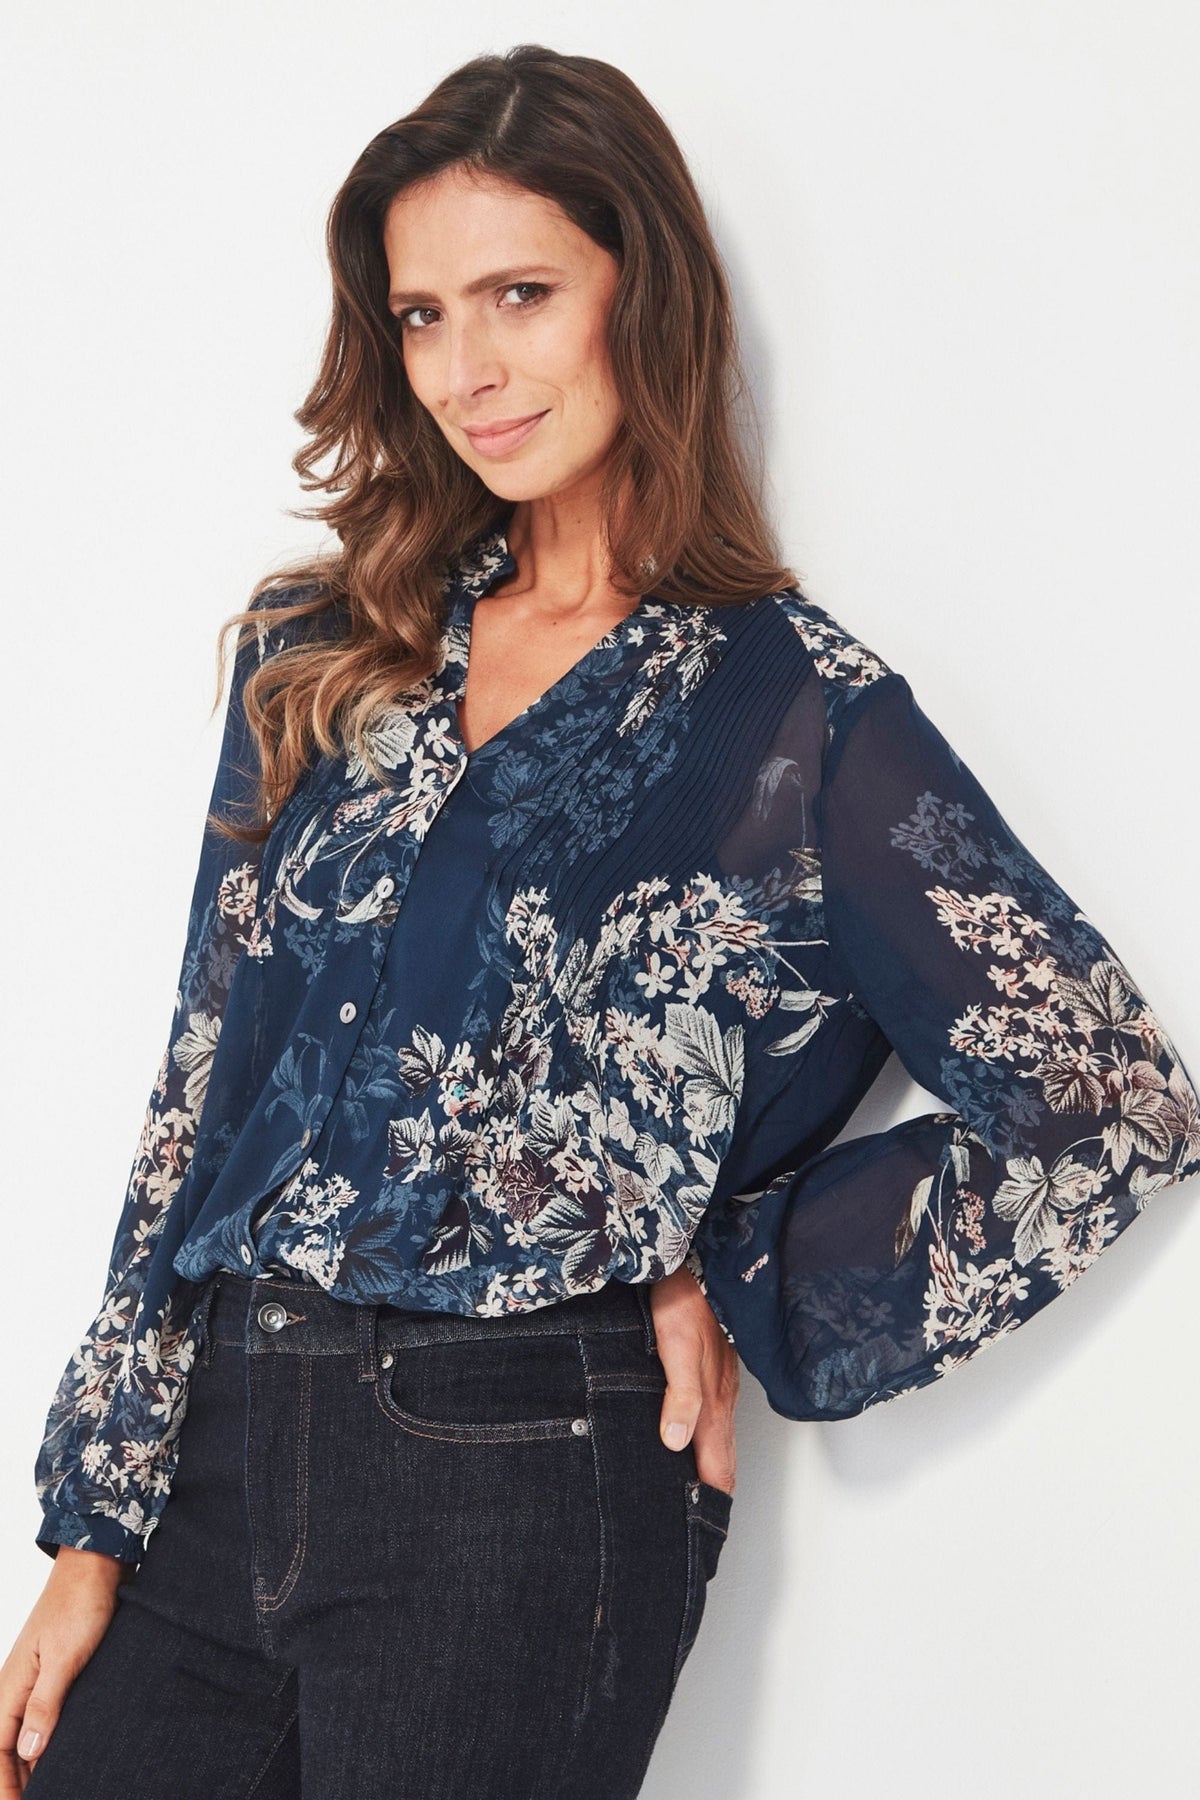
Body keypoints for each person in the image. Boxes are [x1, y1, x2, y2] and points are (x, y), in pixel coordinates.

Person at [4, 41, 1198, 1800]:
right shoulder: (327, 653)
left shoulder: (796, 719)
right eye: (422, 317)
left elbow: (1106, 1098)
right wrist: (94, 1521)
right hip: (221, 1456)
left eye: (521, 295)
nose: (465, 370)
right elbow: (202, 1088)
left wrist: (739, 1264)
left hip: (517, 1477)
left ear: (648, 293)